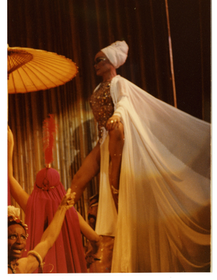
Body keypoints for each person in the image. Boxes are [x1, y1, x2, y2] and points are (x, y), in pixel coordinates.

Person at [70, 41, 211, 272]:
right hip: (103, 141)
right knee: (78, 180)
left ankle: (117, 199)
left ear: (111, 62)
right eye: (94, 61)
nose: (95, 64)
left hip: (116, 137)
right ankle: (65, 221)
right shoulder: (97, 89)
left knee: (114, 171)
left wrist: (117, 115)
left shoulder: (118, 82)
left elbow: (125, 101)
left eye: (99, 60)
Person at [8, 126, 99, 273]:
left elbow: (9, 179)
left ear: (36, 186)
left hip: (36, 265)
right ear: (60, 186)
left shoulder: (30, 204)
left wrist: (9, 148)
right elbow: (95, 239)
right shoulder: (69, 212)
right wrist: (92, 254)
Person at [8, 188, 75, 273]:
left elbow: (47, 240)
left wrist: (62, 208)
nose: (19, 241)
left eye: (23, 237)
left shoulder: (22, 266)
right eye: (12, 236)